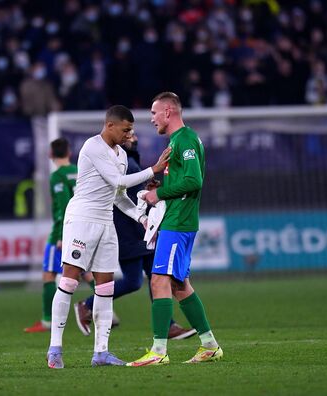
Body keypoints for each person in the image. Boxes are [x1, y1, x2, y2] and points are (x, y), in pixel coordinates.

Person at [47, 105, 171, 369]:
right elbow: (117, 181)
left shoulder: (122, 155)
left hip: (105, 221)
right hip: (82, 219)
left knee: (106, 287)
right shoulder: (92, 147)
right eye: (126, 130)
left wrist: (141, 217)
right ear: (110, 125)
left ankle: (101, 353)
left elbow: (119, 197)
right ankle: (55, 348)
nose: (129, 135)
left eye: (131, 131)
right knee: (69, 281)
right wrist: (154, 169)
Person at [127, 92, 223, 367]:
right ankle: (209, 345)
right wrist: (161, 189)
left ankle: (158, 351)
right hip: (177, 219)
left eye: (154, 113)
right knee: (180, 286)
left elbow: (195, 180)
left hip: (178, 223)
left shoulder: (186, 140)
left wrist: (160, 195)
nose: (152, 119)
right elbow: (185, 180)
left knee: (158, 281)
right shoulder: (178, 141)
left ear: (168, 112)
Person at [73, 133, 196, 340]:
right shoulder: (121, 162)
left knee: (158, 276)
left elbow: (133, 191)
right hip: (126, 230)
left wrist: (148, 190)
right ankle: (87, 305)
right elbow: (119, 191)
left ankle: (168, 325)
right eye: (129, 132)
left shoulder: (130, 160)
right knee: (133, 281)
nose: (134, 136)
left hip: (142, 228)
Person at [25, 137, 79, 333]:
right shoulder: (78, 171)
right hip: (81, 228)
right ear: (69, 153)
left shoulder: (57, 176)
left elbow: (65, 206)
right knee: (86, 271)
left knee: (49, 274)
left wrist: (62, 235)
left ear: (50, 154)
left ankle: (47, 321)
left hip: (61, 231)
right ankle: (102, 310)